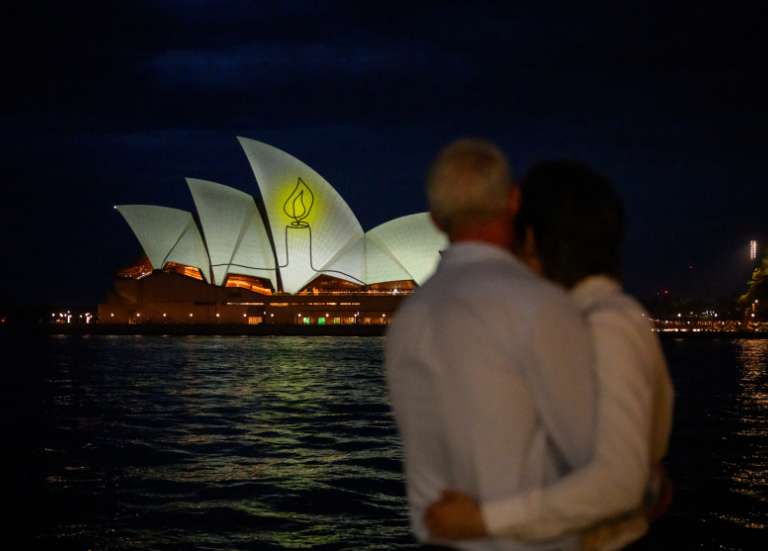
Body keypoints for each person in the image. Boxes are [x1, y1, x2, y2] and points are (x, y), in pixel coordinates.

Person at [424, 160, 674, 550]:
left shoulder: (604, 324)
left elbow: (618, 482)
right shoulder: (590, 319)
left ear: (535, 240)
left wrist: (481, 520)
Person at [385, 141, 598, 551]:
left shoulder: (407, 319)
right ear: (513, 200)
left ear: (434, 218)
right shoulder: (540, 304)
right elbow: (591, 460)